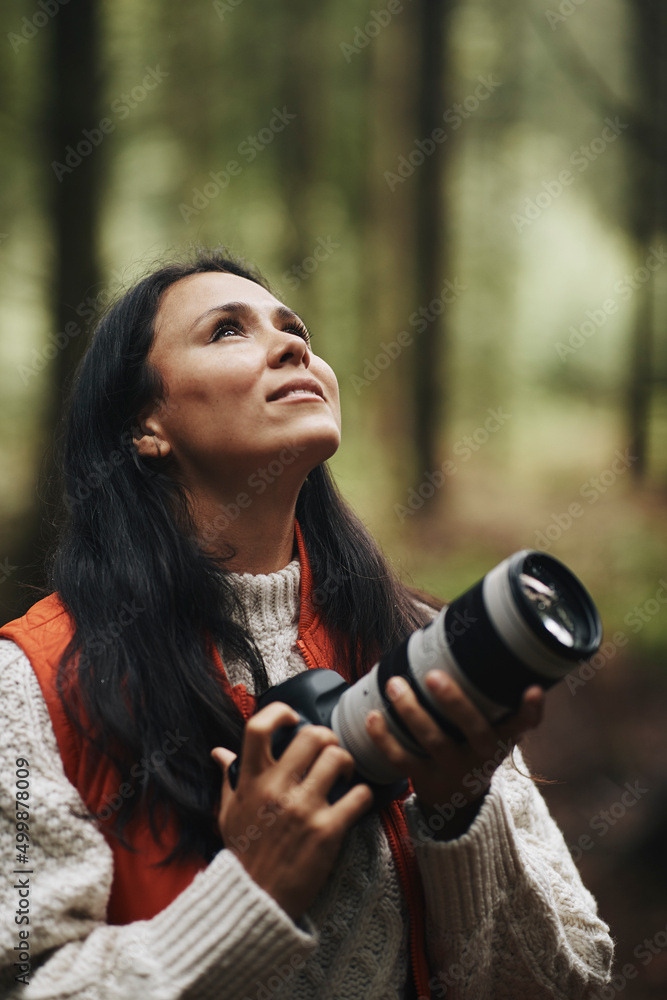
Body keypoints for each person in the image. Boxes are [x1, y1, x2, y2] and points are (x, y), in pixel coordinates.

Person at [0, 249, 613, 999]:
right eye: (227, 331)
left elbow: (575, 977)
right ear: (145, 426)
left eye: (296, 329)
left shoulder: (416, 641)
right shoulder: (32, 683)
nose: (293, 344)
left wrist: (458, 812)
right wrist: (249, 895)